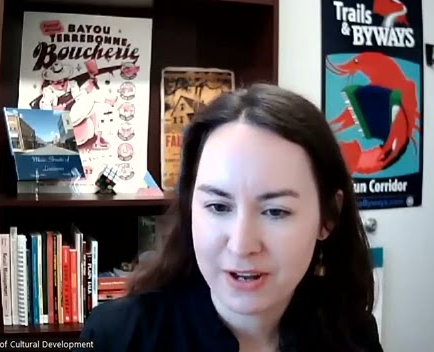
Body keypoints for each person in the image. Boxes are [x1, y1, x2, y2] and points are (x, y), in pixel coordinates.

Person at [81, 84, 382, 351]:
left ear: (328, 217)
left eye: (275, 211)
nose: (241, 245)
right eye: (218, 207)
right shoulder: (117, 337)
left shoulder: (351, 333)